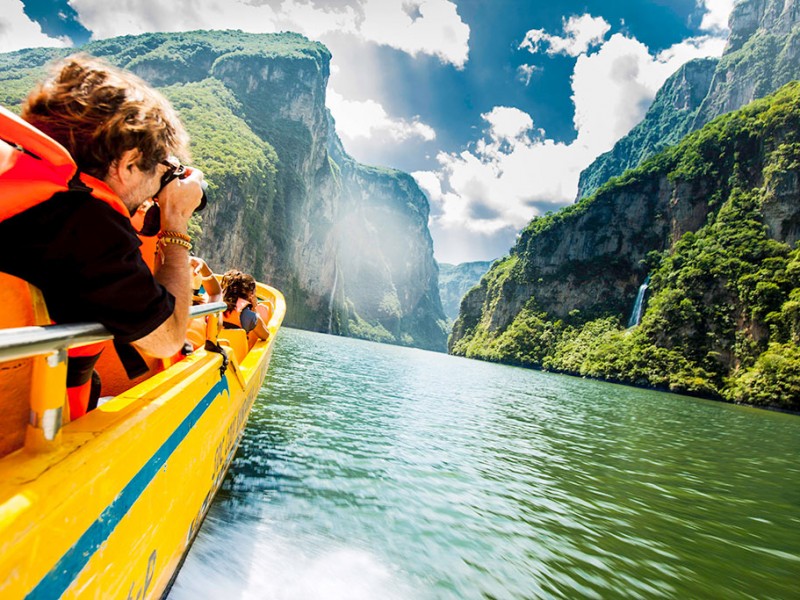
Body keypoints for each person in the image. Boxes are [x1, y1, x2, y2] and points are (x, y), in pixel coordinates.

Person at [0, 54, 204, 418]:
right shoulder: (84, 220)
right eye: (161, 172)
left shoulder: (31, 187)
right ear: (128, 162)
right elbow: (168, 338)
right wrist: (176, 219)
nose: (157, 188)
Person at [220, 269, 270, 342]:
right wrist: (254, 309)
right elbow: (265, 335)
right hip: (234, 351)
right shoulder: (250, 316)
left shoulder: (216, 305)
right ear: (251, 294)